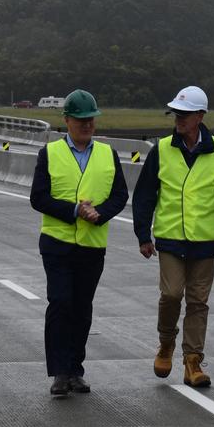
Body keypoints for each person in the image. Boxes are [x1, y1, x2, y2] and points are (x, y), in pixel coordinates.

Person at [132, 85, 214, 388]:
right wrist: (143, 234)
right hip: (169, 239)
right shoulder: (162, 149)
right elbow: (144, 194)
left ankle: (193, 360)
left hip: (206, 242)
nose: (178, 119)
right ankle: (166, 342)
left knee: (198, 302)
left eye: (184, 114)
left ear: (200, 116)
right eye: (176, 114)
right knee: (171, 295)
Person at [30, 89, 129, 397]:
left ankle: (76, 369)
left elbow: (120, 195)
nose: (87, 125)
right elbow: (39, 198)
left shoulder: (107, 154)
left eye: (91, 120)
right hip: (57, 244)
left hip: (92, 245)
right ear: (67, 121)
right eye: (80, 120)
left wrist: (99, 215)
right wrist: (74, 210)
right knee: (60, 302)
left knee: (82, 307)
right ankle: (59, 372)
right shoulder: (50, 153)